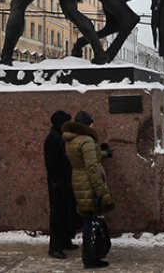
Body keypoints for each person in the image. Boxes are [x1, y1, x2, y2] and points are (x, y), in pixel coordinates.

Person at [63, 110, 115, 269]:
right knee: (90, 220)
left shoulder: (71, 139)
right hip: (88, 183)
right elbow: (92, 167)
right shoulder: (86, 141)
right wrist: (100, 191)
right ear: (88, 124)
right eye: (92, 123)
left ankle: (91, 254)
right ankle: (90, 257)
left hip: (78, 180)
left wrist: (103, 153)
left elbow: (86, 159)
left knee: (88, 218)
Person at [44, 110, 79, 259]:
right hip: (58, 184)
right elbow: (53, 164)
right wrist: (59, 181)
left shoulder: (59, 137)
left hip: (64, 182)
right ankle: (55, 247)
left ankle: (65, 240)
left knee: (65, 213)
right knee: (58, 215)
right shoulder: (52, 139)